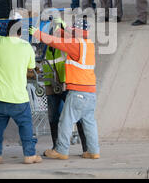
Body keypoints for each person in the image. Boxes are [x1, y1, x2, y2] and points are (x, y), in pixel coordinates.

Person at [29, 17, 99, 160]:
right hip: (90, 92)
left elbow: (56, 42)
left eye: (74, 30)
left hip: (78, 92)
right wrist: (60, 28)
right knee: (89, 122)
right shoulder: (88, 44)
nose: (71, 33)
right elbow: (67, 37)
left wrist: (38, 34)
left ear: (78, 31)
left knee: (65, 121)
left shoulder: (75, 44)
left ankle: (61, 150)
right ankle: (93, 151)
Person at [0, 17, 42, 165]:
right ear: (20, 33)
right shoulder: (26, 46)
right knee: (26, 125)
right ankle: (29, 155)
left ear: (7, 31)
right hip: (19, 98)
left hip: (0, 97)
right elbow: (31, 66)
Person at [42, 18, 88, 154]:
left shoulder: (67, 44)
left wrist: (64, 26)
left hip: (66, 84)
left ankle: (86, 148)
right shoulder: (46, 48)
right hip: (51, 85)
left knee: (78, 116)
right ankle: (56, 147)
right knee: (53, 117)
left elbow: (74, 38)